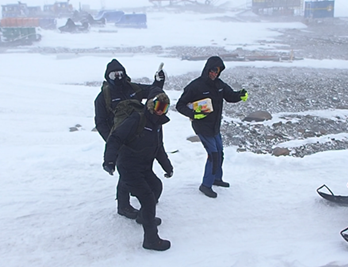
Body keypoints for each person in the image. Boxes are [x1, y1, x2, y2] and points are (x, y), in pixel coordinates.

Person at [102, 87, 173, 251]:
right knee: (147, 199)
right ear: (150, 105)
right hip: (128, 167)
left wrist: (167, 166)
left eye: (164, 108)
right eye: (158, 107)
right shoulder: (137, 119)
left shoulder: (157, 125)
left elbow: (159, 147)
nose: (160, 112)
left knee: (156, 186)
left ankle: (144, 216)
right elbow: (116, 137)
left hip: (143, 167)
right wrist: (109, 160)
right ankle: (151, 240)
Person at [94, 59, 165, 219]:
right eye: (114, 74)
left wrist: (158, 81)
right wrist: (112, 140)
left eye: (120, 73)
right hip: (119, 138)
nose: (118, 77)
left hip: (137, 135)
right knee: (125, 170)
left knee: (134, 168)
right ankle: (123, 205)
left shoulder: (132, 88)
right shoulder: (103, 97)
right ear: (108, 76)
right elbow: (100, 122)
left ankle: (144, 197)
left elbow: (153, 92)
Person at [176, 56, 248, 198]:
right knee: (213, 154)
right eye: (213, 70)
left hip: (215, 126)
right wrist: (193, 114)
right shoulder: (195, 86)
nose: (214, 73)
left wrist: (240, 95)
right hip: (201, 126)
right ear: (207, 69)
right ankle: (206, 185)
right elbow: (180, 105)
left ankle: (216, 178)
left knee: (219, 152)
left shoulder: (219, 85)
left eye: (218, 71)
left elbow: (230, 96)